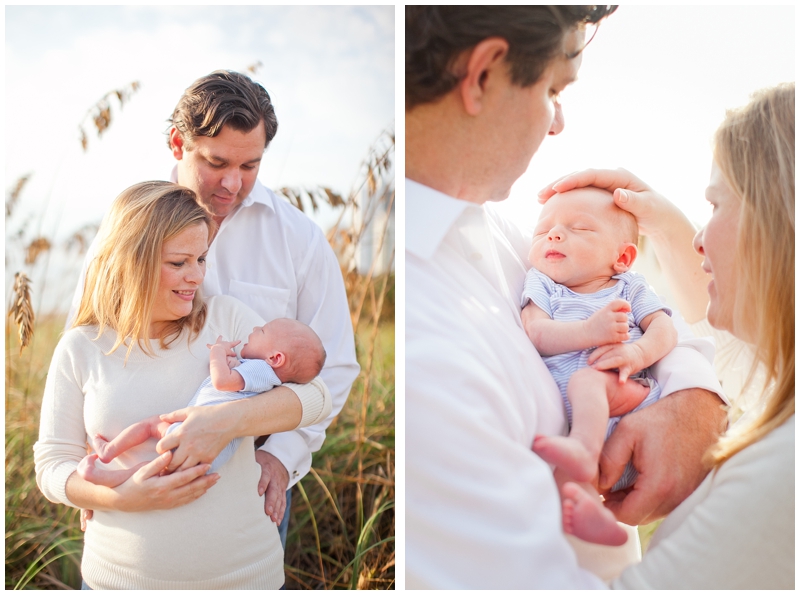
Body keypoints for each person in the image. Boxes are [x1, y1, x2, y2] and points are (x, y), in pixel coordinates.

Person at [406, 5, 726, 588]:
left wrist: (692, 400)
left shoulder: (506, 235)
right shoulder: (422, 343)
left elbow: (659, 317)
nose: (557, 124)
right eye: (553, 89)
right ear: (482, 76)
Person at [68, 70, 360, 541]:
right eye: (217, 161)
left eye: (250, 166)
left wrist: (281, 458)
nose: (232, 183)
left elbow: (336, 365)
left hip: (248, 486)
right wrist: (96, 484)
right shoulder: (127, 228)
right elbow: (85, 341)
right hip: (131, 486)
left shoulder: (299, 239)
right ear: (177, 143)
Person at [540, 83, 795, 589]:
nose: (699, 237)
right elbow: (735, 355)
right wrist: (658, 221)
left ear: (778, 220)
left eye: (716, 206)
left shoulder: (784, 474)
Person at [35, 181, 332, 589]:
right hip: (119, 580)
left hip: (243, 577)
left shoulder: (226, 321)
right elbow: (52, 465)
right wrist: (119, 498)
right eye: (179, 263)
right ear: (131, 261)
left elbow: (316, 397)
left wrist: (225, 422)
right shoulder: (80, 347)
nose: (196, 277)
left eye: (202, 259)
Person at [522, 187, 677, 546]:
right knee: (565, 479)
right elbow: (536, 330)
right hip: (583, 427)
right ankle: (591, 508)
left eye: (580, 228)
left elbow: (664, 329)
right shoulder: (542, 283)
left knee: (586, 383)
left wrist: (638, 354)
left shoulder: (629, 287)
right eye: (543, 230)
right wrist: (588, 331)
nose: (555, 234)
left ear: (622, 257)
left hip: (629, 400)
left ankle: (583, 453)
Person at [77, 319, 326, 487]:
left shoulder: (262, 371)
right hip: (205, 444)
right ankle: (110, 467)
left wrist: (217, 353)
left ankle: (112, 468)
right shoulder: (261, 374)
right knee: (157, 462)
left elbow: (222, 382)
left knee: (154, 440)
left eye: (261, 331)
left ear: (276, 357)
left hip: (197, 435)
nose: (254, 329)